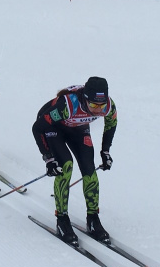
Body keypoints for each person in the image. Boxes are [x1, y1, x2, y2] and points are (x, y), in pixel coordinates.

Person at [32, 76, 117, 246]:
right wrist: (48, 158)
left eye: (101, 106)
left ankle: (93, 219)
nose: (97, 110)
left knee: (89, 171)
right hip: (53, 127)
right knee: (66, 166)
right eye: (93, 105)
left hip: (77, 128)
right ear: (85, 99)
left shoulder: (108, 105)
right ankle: (62, 219)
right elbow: (38, 127)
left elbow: (111, 125)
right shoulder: (68, 104)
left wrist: (105, 151)